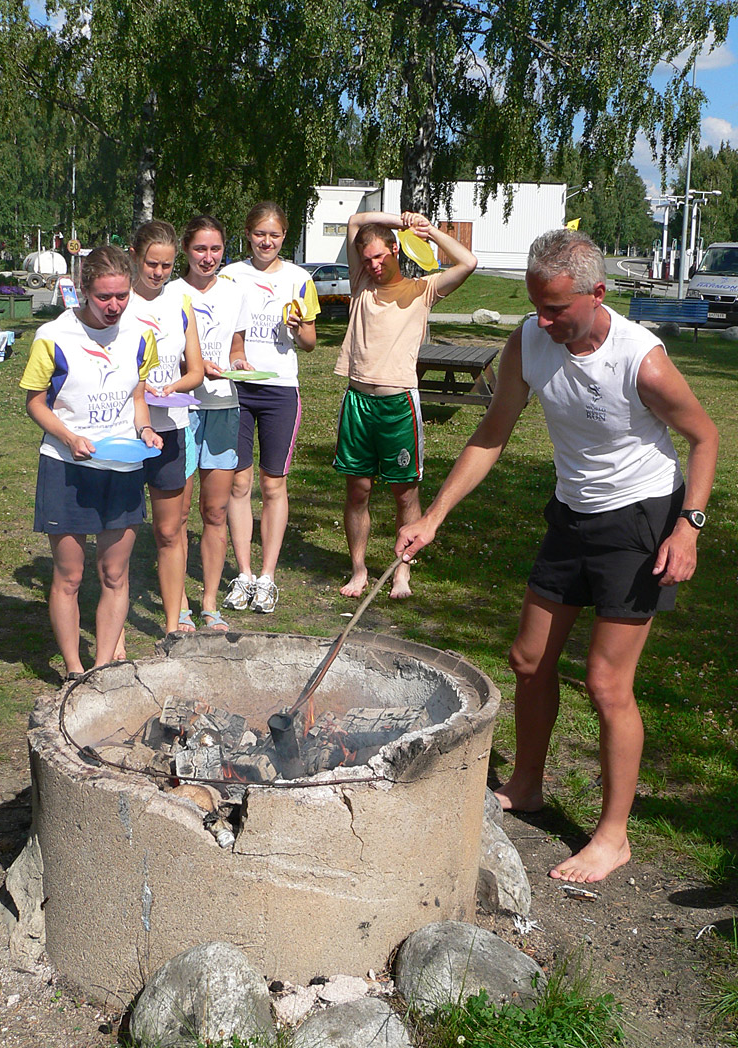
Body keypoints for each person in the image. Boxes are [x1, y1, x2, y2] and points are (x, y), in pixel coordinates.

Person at [395, 228, 719, 883]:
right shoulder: (529, 340)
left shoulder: (641, 359)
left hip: (640, 521)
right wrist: (433, 515)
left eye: (557, 309)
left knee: (606, 684)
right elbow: (492, 433)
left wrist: (688, 527)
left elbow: (705, 436)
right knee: (528, 659)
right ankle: (528, 784)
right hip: (572, 514)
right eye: (536, 306)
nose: (544, 320)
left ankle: (613, 835)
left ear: (597, 295)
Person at [20, 246, 162, 678]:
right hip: (67, 468)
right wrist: (68, 436)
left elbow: (137, 397)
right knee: (70, 575)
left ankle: (101, 669)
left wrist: (145, 431)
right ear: (83, 290)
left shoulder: (140, 334)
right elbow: (35, 402)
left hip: (121, 468)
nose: (115, 306)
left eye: (122, 296)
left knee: (115, 574)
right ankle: (73, 670)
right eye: (104, 297)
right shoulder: (54, 336)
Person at [334, 210, 477, 599]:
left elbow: (469, 263)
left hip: (398, 405)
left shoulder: (423, 289)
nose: (375, 265)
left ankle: (402, 572)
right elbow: (355, 220)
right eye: (368, 259)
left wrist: (427, 229)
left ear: (396, 250)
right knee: (357, 490)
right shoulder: (361, 282)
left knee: (405, 493)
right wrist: (396, 219)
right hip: (358, 402)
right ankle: (359, 570)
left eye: (381, 256)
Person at [220, 201, 319, 614]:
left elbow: (311, 342)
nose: (267, 241)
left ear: (285, 236)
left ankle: (267, 577)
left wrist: (298, 330)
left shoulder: (299, 279)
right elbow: (222, 328)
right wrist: (235, 355)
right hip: (238, 390)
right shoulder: (230, 275)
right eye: (260, 233)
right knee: (238, 484)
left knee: (273, 484)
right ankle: (243, 574)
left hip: (280, 390)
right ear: (248, 234)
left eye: (274, 235)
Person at [167, 215, 252, 630]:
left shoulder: (235, 292)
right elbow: (164, 352)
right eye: (200, 249)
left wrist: (238, 361)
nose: (208, 257)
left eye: (215, 249)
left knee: (215, 511)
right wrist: (195, 366)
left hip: (223, 406)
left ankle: (211, 603)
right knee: (179, 514)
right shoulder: (170, 293)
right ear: (185, 249)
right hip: (181, 411)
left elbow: (236, 341)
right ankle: (179, 603)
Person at [122, 220, 204, 639]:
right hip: (125, 430)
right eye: (152, 263)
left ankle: (174, 627)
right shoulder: (120, 301)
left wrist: (174, 386)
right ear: (135, 256)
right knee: (120, 533)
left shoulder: (180, 302)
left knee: (170, 530)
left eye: (167, 265)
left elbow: (197, 370)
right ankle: (115, 634)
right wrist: (136, 388)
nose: (158, 272)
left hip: (171, 425)